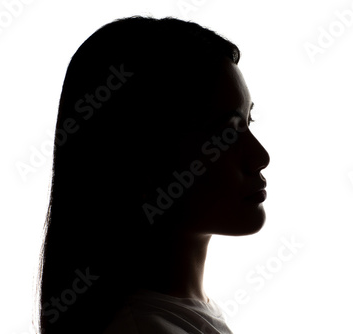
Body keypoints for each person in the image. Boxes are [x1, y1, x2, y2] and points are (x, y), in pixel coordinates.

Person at [38, 15, 270, 334]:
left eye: (248, 121)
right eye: (226, 134)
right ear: (142, 157)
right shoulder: (146, 328)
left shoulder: (185, 314)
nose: (261, 156)